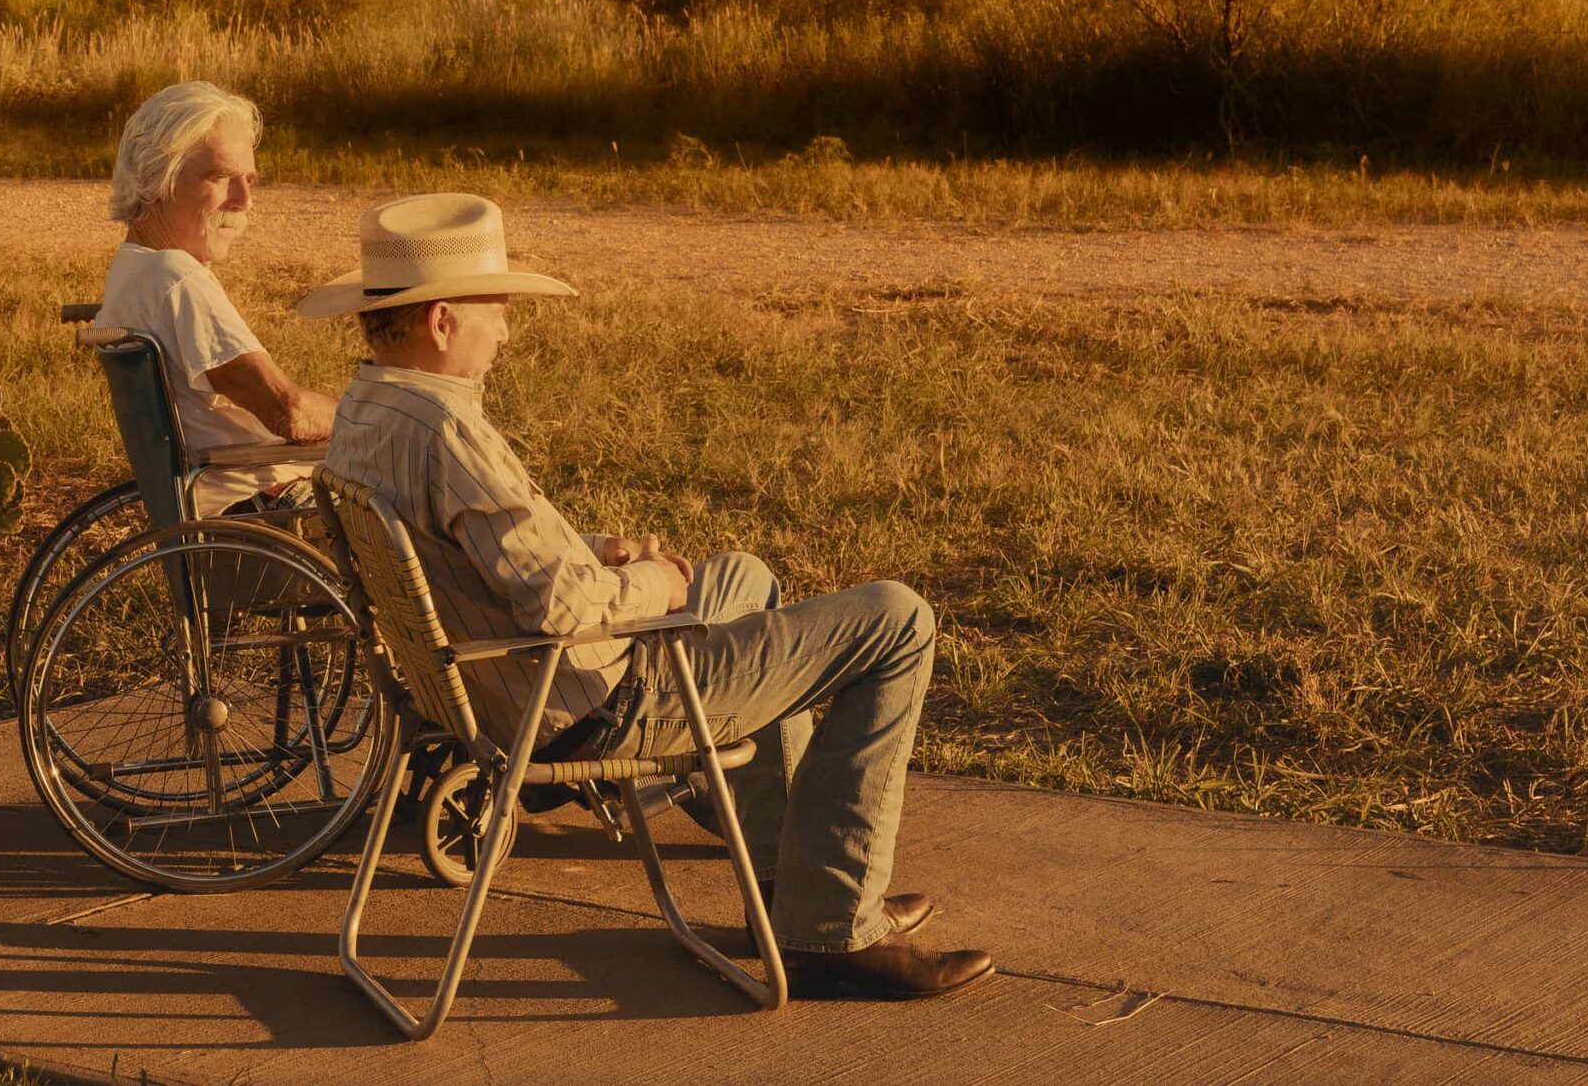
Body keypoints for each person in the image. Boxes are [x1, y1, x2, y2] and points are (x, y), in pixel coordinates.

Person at [304, 192, 992, 1000]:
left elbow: (476, 550)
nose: (509, 330)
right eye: (497, 309)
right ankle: (832, 927)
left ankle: (789, 889)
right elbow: (558, 608)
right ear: (444, 320)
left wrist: (599, 551)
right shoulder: (451, 434)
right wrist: (650, 581)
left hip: (496, 688)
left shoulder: (366, 409)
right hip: (591, 698)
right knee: (898, 618)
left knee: (743, 575)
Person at [94, 81, 334, 515]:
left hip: (222, 508)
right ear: (154, 178)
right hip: (261, 509)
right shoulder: (176, 278)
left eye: (250, 180)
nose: (244, 201)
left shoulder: (133, 269)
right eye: (221, 177)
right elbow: (290, 414)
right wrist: (376, 420)